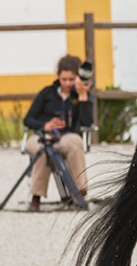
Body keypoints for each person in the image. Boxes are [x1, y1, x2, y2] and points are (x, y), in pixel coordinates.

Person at [23, 54, 93, 211]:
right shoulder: (47, 93)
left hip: (66, 136)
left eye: (71, 79)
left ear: (77, 78)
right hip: (41, 134)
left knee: (75, 142)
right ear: (58, 77)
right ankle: (36, 197)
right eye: (64, 79)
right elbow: (28, 120)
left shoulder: (81, 94)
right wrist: (46, 125)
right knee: (43, 148)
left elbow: (87, 123)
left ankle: (79, 193)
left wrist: (83, 96)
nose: (67, 83)